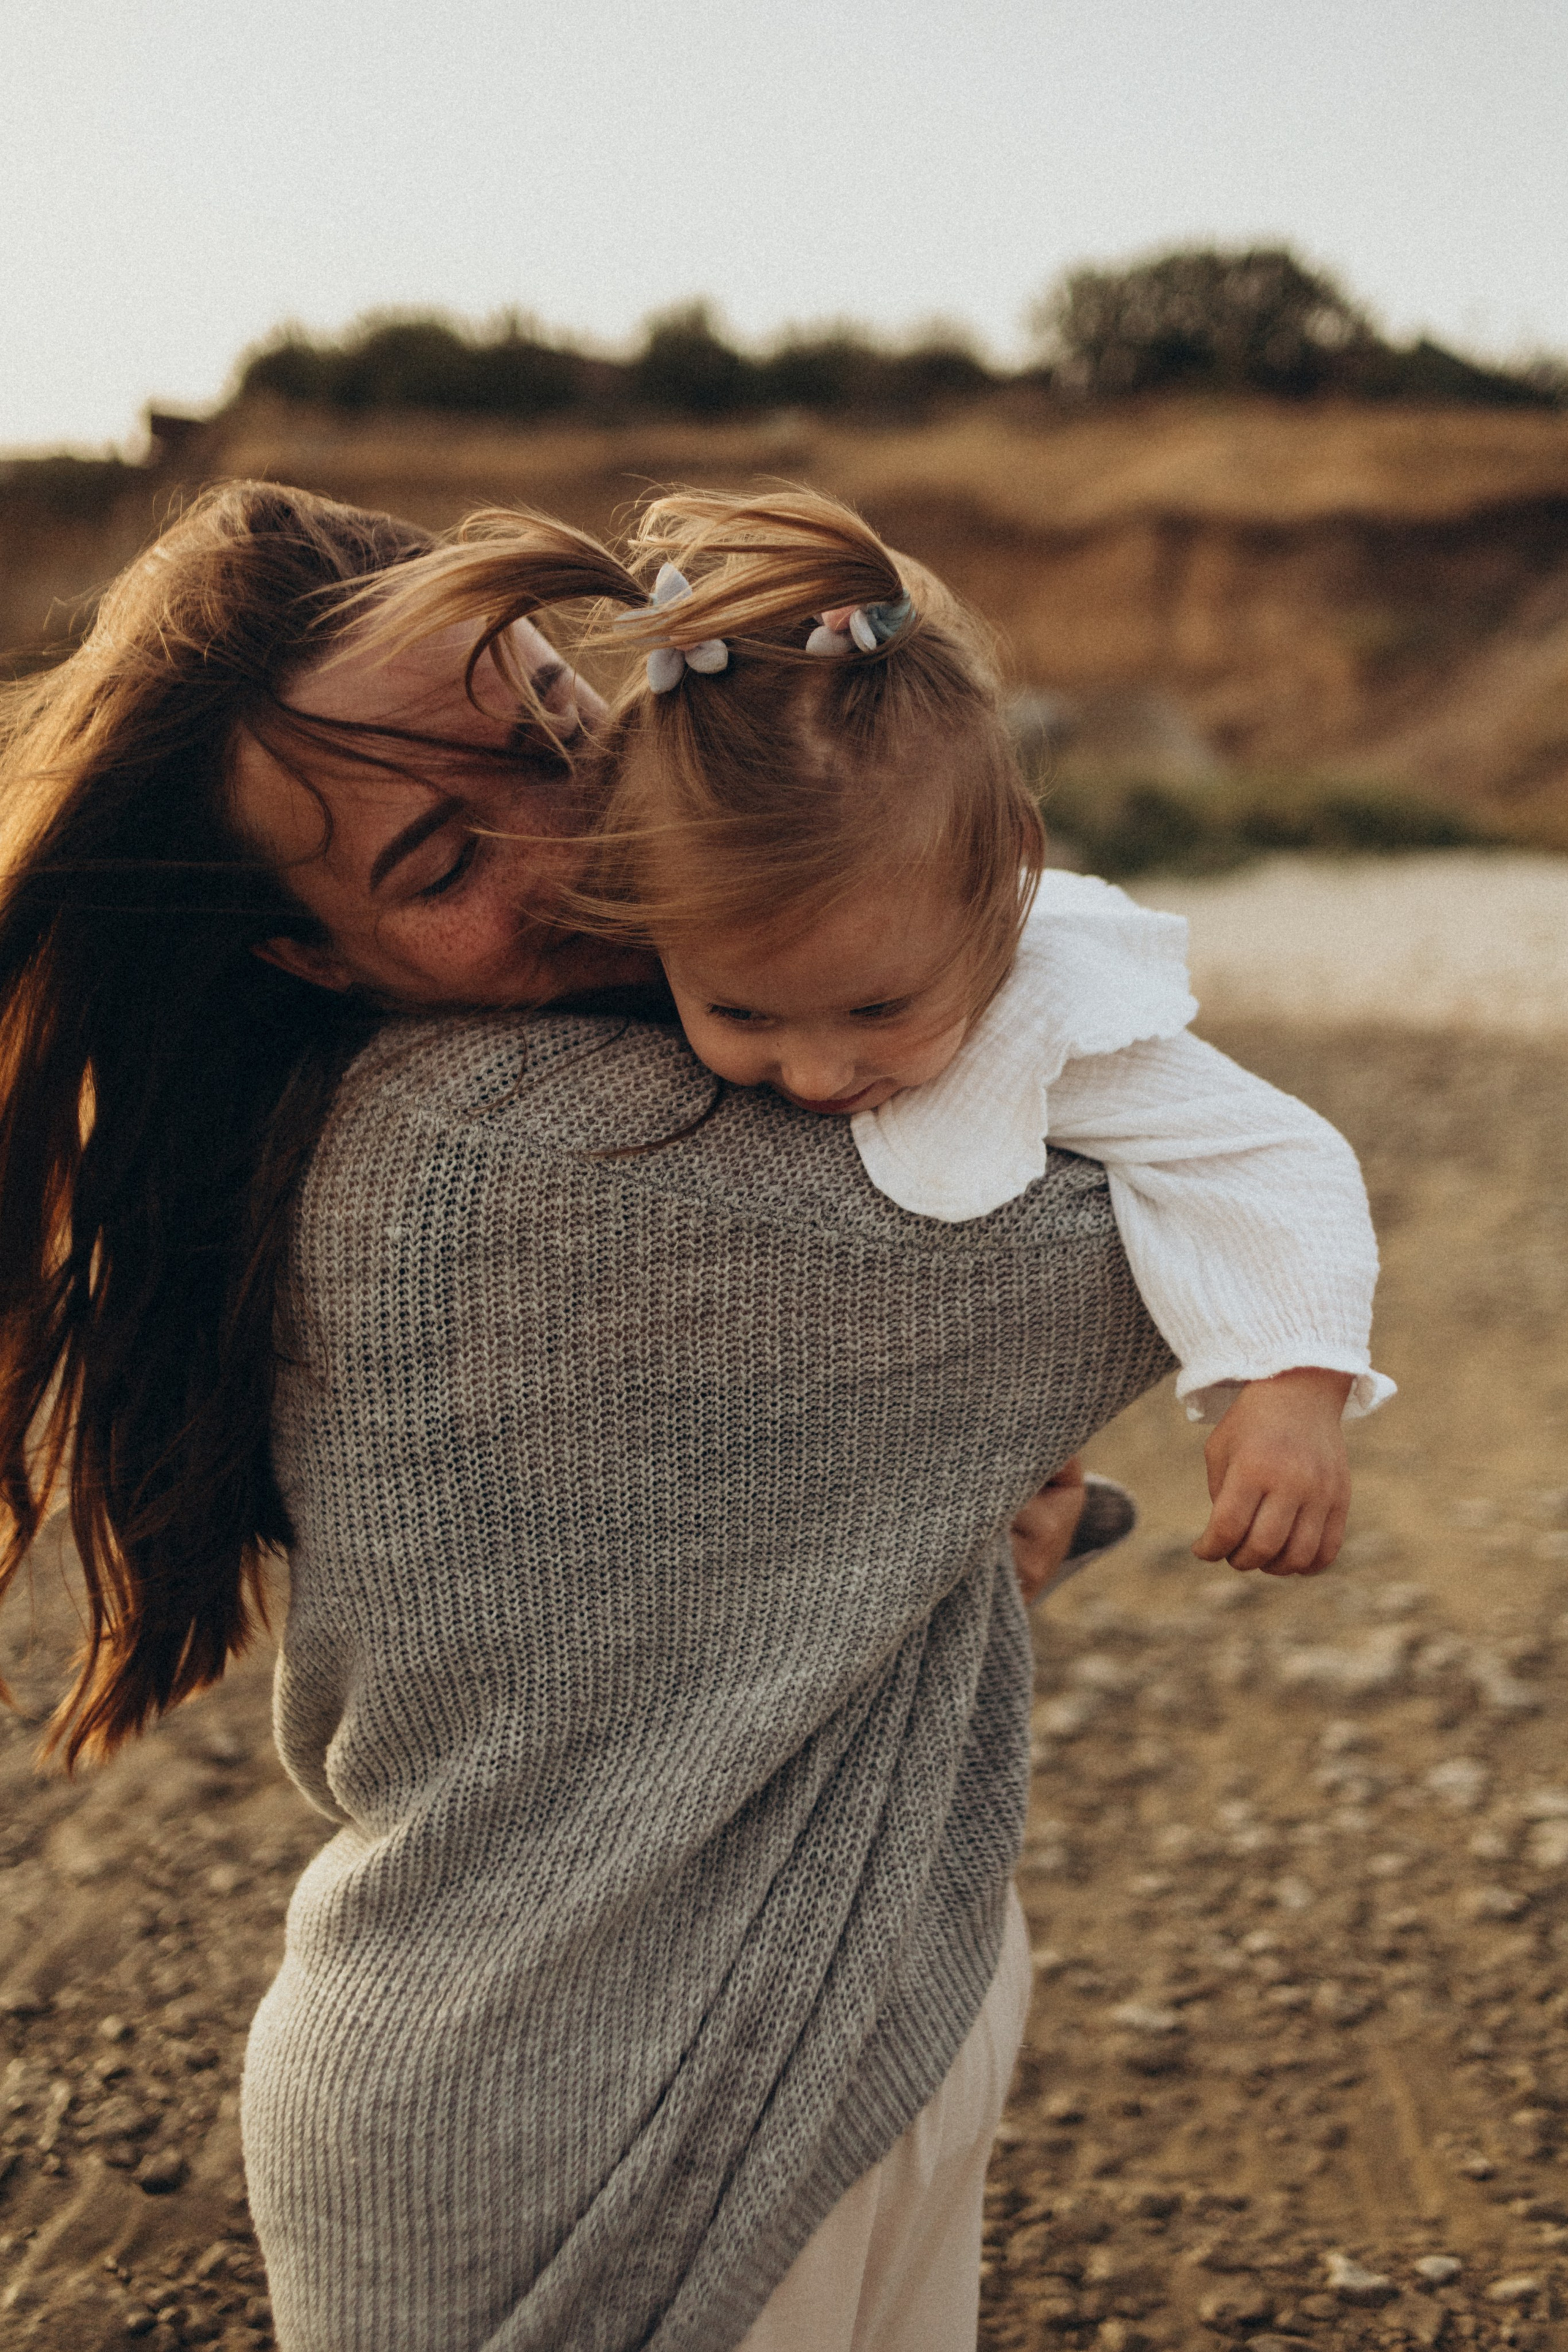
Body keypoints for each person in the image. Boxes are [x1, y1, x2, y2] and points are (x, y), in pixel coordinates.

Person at [358, 488, 1392, 1581]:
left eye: (878, 1010)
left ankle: (1044, 1509)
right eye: (740, 1013)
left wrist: (1293, 1386)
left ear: (1006, 882)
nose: (813, 1069)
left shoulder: (1051, 1016)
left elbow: (1271, 1160)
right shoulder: (647, 984)